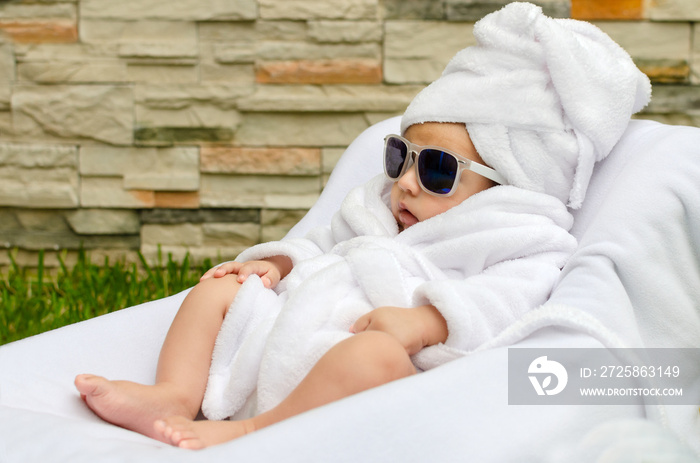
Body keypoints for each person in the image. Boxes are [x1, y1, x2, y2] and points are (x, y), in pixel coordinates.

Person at [74, 2, 650, 450]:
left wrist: (427, 321)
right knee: (219, 288)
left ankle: (255, 434)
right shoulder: (380, 203)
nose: (405, 181)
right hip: (291, 331)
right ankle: (173, 395)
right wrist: (277, 263)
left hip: (375, 366)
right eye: (402, 155)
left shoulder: (523, 235)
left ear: (512, 183)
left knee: (373, 358)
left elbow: (509, 303)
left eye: (439, 169)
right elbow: (324, 243)